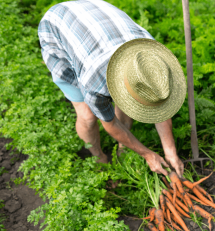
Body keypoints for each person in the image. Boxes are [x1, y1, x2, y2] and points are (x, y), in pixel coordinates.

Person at [38, 0, 186, 177]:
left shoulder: (154, 61)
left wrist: (171, 152)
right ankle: (99, 158)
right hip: (57, 28)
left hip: (99, 14)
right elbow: (110, 123)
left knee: (138, 98)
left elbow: (160, 107)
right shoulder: (94, 82)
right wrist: (147, 154)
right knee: (88, 116)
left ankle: (124, 147)